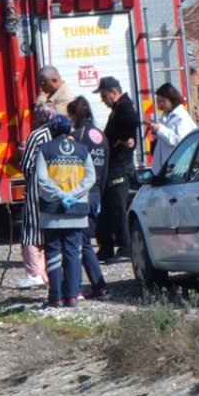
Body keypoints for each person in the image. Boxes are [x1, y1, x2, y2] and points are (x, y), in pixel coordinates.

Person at [34, 115, 95, 308]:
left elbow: (42, 179)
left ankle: (56, 297)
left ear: (51, 131)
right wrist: (73, 195)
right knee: (73, 253)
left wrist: (61, 195)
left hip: (52, 210)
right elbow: (90, 177)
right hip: (76, 210)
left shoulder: (44, 149)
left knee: (53, 252)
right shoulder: (83, 150)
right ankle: (72, 297)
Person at [67, 96, 110, 300]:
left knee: (80, 242)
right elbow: (106, 166)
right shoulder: (101, 135)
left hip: (82, 193)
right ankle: (95, 286)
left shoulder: (76, 136)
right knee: (85, 240)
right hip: (97, 193)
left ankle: (94, 286)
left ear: (74, 116)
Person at [94, 76, 138, 262]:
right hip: (112, 166)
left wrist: (124, 138)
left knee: (118, 207)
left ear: (114, 92)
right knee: (106, 208)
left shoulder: (124, 106)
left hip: (120, 167)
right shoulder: (117, 108)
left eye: (104, 96)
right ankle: (106, 246)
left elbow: (133, 120)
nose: (103, 101)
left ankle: (125, 247)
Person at [15, 102, 56, 289]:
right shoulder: (63, 134)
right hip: (58, 187)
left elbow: (27, 165)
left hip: (37, 188)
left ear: (40, 118)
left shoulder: (37, 135)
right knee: (52, 232)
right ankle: (51, 274)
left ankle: (34, 273)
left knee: (31, 231)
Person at [147, 83, 197, 174]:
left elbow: (181, 141)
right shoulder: (166, 116)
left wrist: (160, 129)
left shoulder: (181, 117)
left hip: (176, 169)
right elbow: (163, 140)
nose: (160, 104)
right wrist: (155, 132)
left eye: (162, 101)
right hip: (162, 168)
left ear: (172, 99)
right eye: (158, 101)